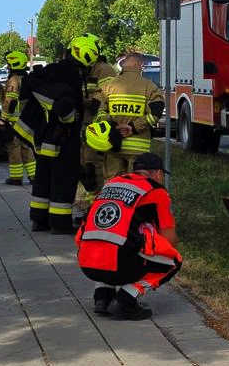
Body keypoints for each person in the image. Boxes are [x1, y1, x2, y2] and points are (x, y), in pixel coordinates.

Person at [76, 153, 181, 320]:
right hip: (117, 265)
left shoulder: (111, 184)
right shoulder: (155, 190)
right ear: (157, 173)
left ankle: (102, 296)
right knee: (174, 260)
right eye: (161, 175)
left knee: (112, 238)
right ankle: (127, 300)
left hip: (86, 261)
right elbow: (169, 238)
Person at [14, 35, 91, 233]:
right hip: (63, 139)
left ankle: (39, 220)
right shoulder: (71, 76)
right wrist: (71, 118)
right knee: (63, 179)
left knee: (43, 177)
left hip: (44, 137)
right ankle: (59, 223)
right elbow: (64, 107)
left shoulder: (51, 71)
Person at [94, 52, 165, 180]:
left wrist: (115, 127)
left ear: (124, 65)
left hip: (113, 145)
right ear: (139, 64)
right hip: (138, 149)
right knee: (136, 186)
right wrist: (133, 127)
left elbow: (99, 113)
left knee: (113, 185)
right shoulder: (149, 86)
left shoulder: (108, 86)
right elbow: (155, 113)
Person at [74, 37, 118, 222]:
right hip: (87, 125)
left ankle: (97, 210)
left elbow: (103, 99)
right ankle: (90, 209)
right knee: (86, 166)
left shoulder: (105, 70)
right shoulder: (89, 70)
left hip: (98, 127)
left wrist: (80, 102)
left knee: (95, 167)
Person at [1, 50, 36, 185]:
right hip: (27, 121)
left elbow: (10, 101)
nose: (8, 67)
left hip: (14, 122)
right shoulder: (26, 78)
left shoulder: (14, 80)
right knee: (27, 148)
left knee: (14, 149)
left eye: (9, 64)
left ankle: (16, 178)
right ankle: (34, 177)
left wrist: (3, 119)